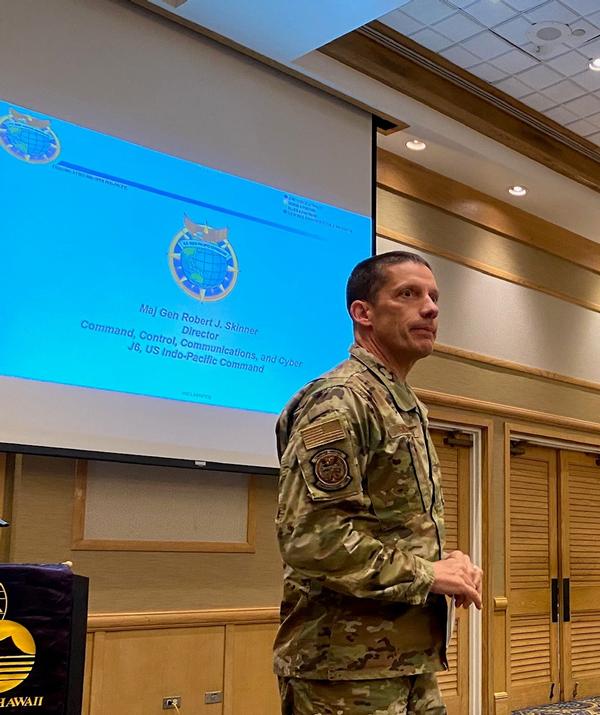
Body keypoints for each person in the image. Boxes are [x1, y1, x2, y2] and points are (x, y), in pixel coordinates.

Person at [274, 251, 483, 715]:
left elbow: (388, 529)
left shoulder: (404, 405)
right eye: (408, 294)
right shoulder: (339, 401)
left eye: (433, 297)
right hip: (342, 671)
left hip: (407, 661)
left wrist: (443, 560)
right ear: (363, 313)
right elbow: (314, 540)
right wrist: (429, 575)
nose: (430, 308)